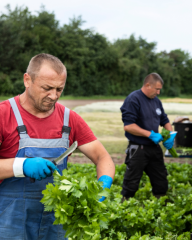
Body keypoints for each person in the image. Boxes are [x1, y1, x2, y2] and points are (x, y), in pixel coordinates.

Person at [0, 53, 115, 240]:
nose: (53, 96)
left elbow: (103, 158)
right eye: (47, 88)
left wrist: (103, 186)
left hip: (55, 223)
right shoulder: (4, 114)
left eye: (59, 89)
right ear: (27, 80)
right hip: (9, 221)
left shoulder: (70, 119)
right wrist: (22, 166)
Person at [120, 73, 176, 200]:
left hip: (154, 148)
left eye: (160, 89)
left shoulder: (156, 101)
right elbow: (128, 126)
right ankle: (124, 206)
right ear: (147, 85)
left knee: (161, 180)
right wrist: (150, 134)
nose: (158, 92)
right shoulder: (133, 99)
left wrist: (171, 135)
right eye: (157, 89)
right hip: (138, 149)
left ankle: (161, 204)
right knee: (131, 182)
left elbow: (165, 120)